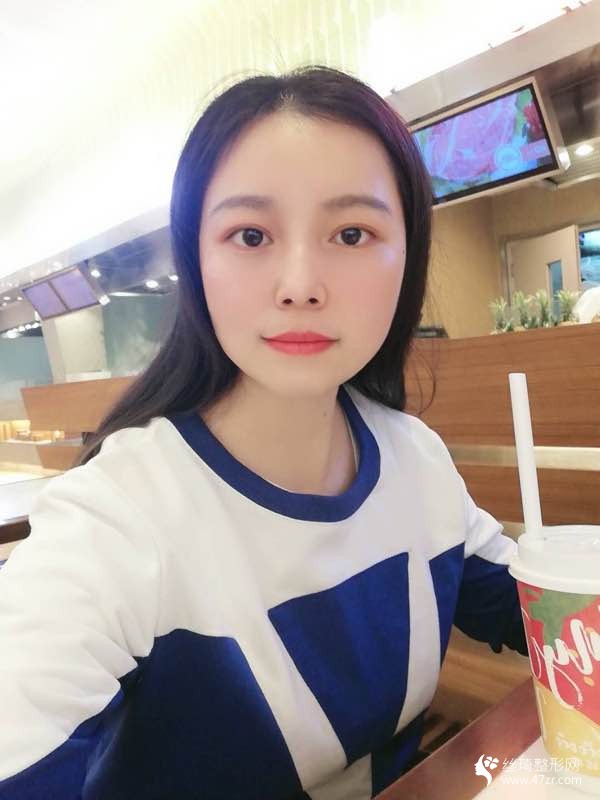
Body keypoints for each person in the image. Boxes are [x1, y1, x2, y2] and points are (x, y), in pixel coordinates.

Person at [0, 65, 527, 800]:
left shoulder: (416, 458)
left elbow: (536, 609)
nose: (300, 284)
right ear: (197, 261)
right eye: (250, 235)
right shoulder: (117, 519)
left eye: (352, 233)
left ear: (408, 255)